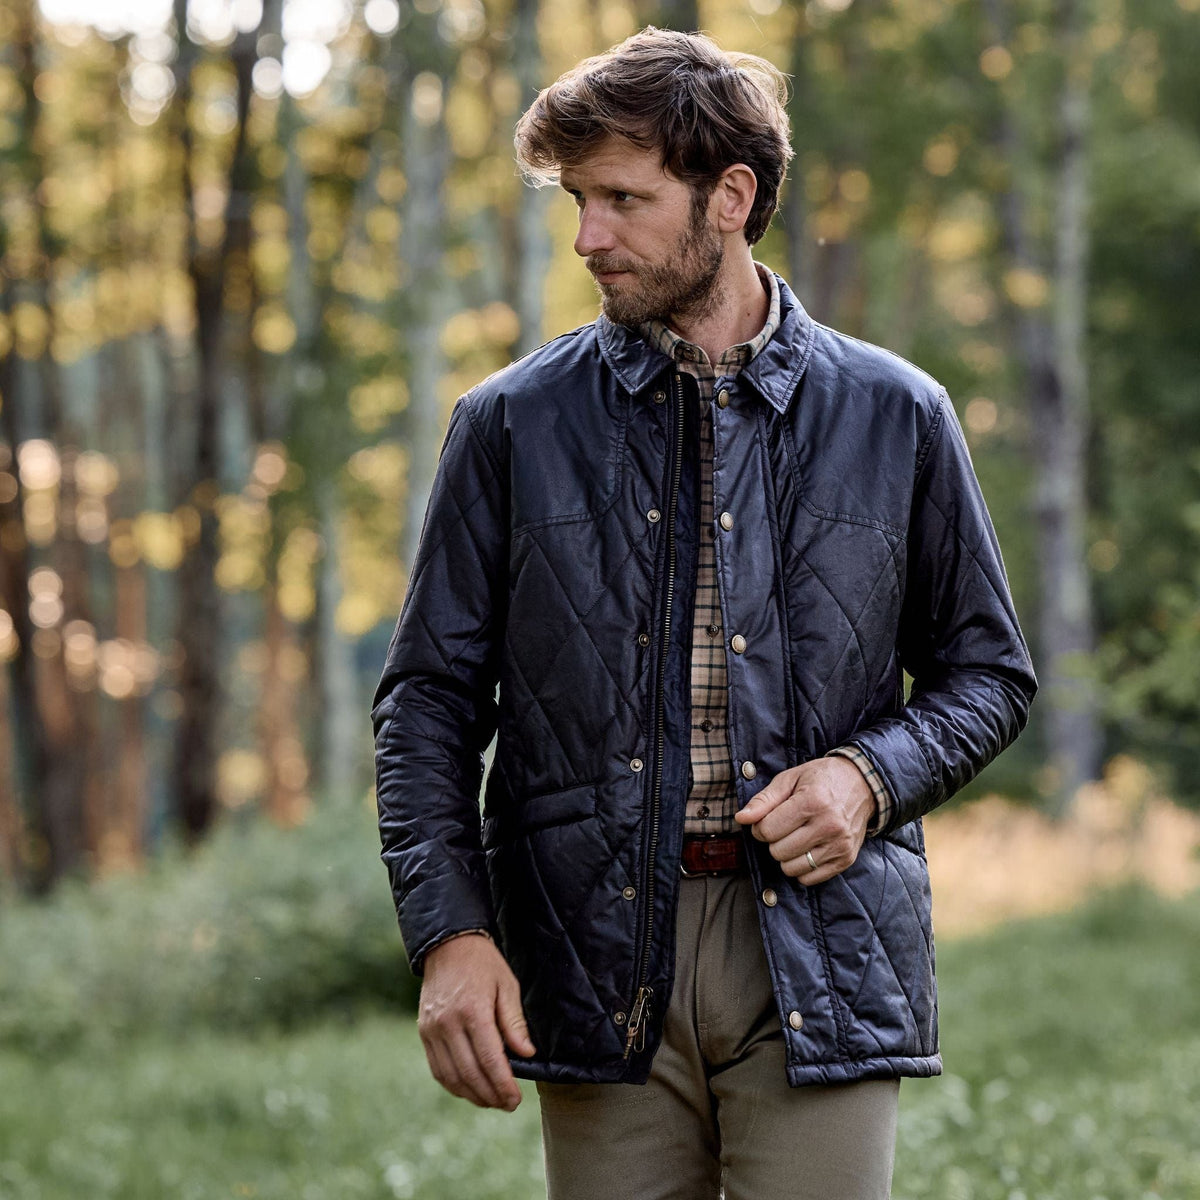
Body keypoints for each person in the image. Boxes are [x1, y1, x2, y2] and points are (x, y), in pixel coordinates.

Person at [371, 26, 1036, 1200]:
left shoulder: (899, 414)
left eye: (623, 199)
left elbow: (989, 675)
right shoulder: (509, 424)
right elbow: (427, 703)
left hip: (825, 942)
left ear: (730, 197)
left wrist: (867, 778)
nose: (588, 237)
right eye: (578, 201)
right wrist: (451, 936)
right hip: (592, 944)